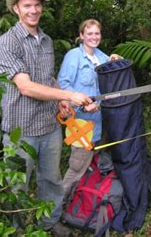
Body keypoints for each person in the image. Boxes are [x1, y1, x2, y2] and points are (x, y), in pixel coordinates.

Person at [0, 0, 92, 236]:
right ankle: (14, 230)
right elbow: (25, 87)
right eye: (27, 5)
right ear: (16, 8)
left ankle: (50, 222)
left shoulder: (46, 40)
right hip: (20, 129)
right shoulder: (7, 43)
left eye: (37, 5)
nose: (33, 10)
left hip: (49, 126)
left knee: (51, 180)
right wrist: (69, 93)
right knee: (17, 185)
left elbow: (48, 79)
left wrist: (63, 101)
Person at [57, 19, 119, 199]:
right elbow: (64, 86)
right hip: (81, 124)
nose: (94, 37)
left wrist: (115, 59)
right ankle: (55, 210)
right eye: (89, 33)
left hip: (100, 123)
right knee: (77, 169)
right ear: (81, 36)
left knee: (95, 164)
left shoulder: (101, 56)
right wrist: (82, 103)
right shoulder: (73, 56)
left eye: (97, 33)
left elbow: (113, 73)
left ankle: (81, 205)